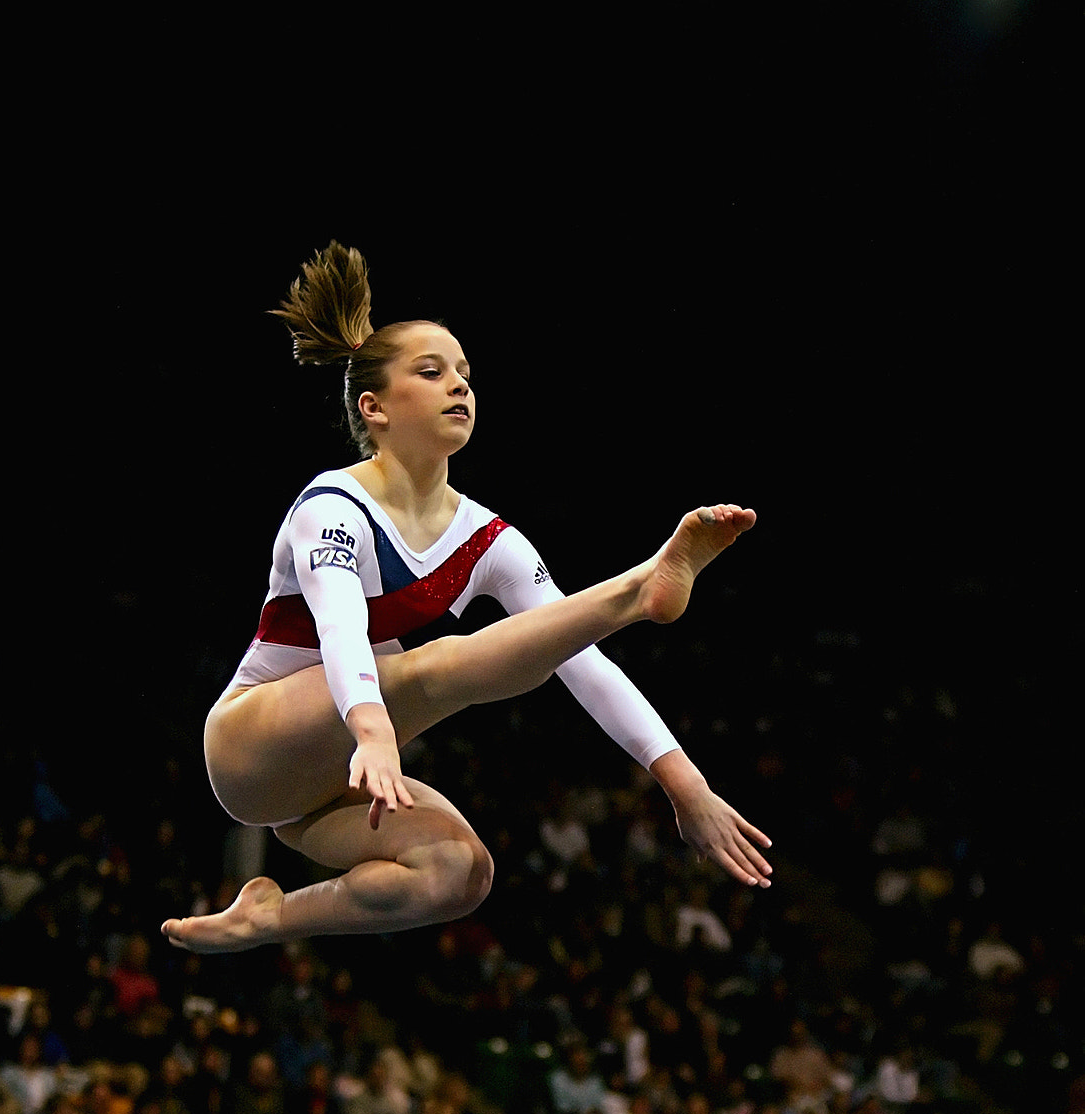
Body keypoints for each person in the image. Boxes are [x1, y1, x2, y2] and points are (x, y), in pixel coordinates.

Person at [162, 241, 771, 956]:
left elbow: (582, 664)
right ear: (375, 408)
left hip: (324, 792)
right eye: (431, 372)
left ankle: (268, 919)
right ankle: (637, 588)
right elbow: (340, 627)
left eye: (465, 374)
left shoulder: (486, 539)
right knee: (431, 668)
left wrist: (685, 784)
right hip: (253, 745)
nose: (459, 385)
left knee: (460, 872)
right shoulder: (331, 506)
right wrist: (375, 732)